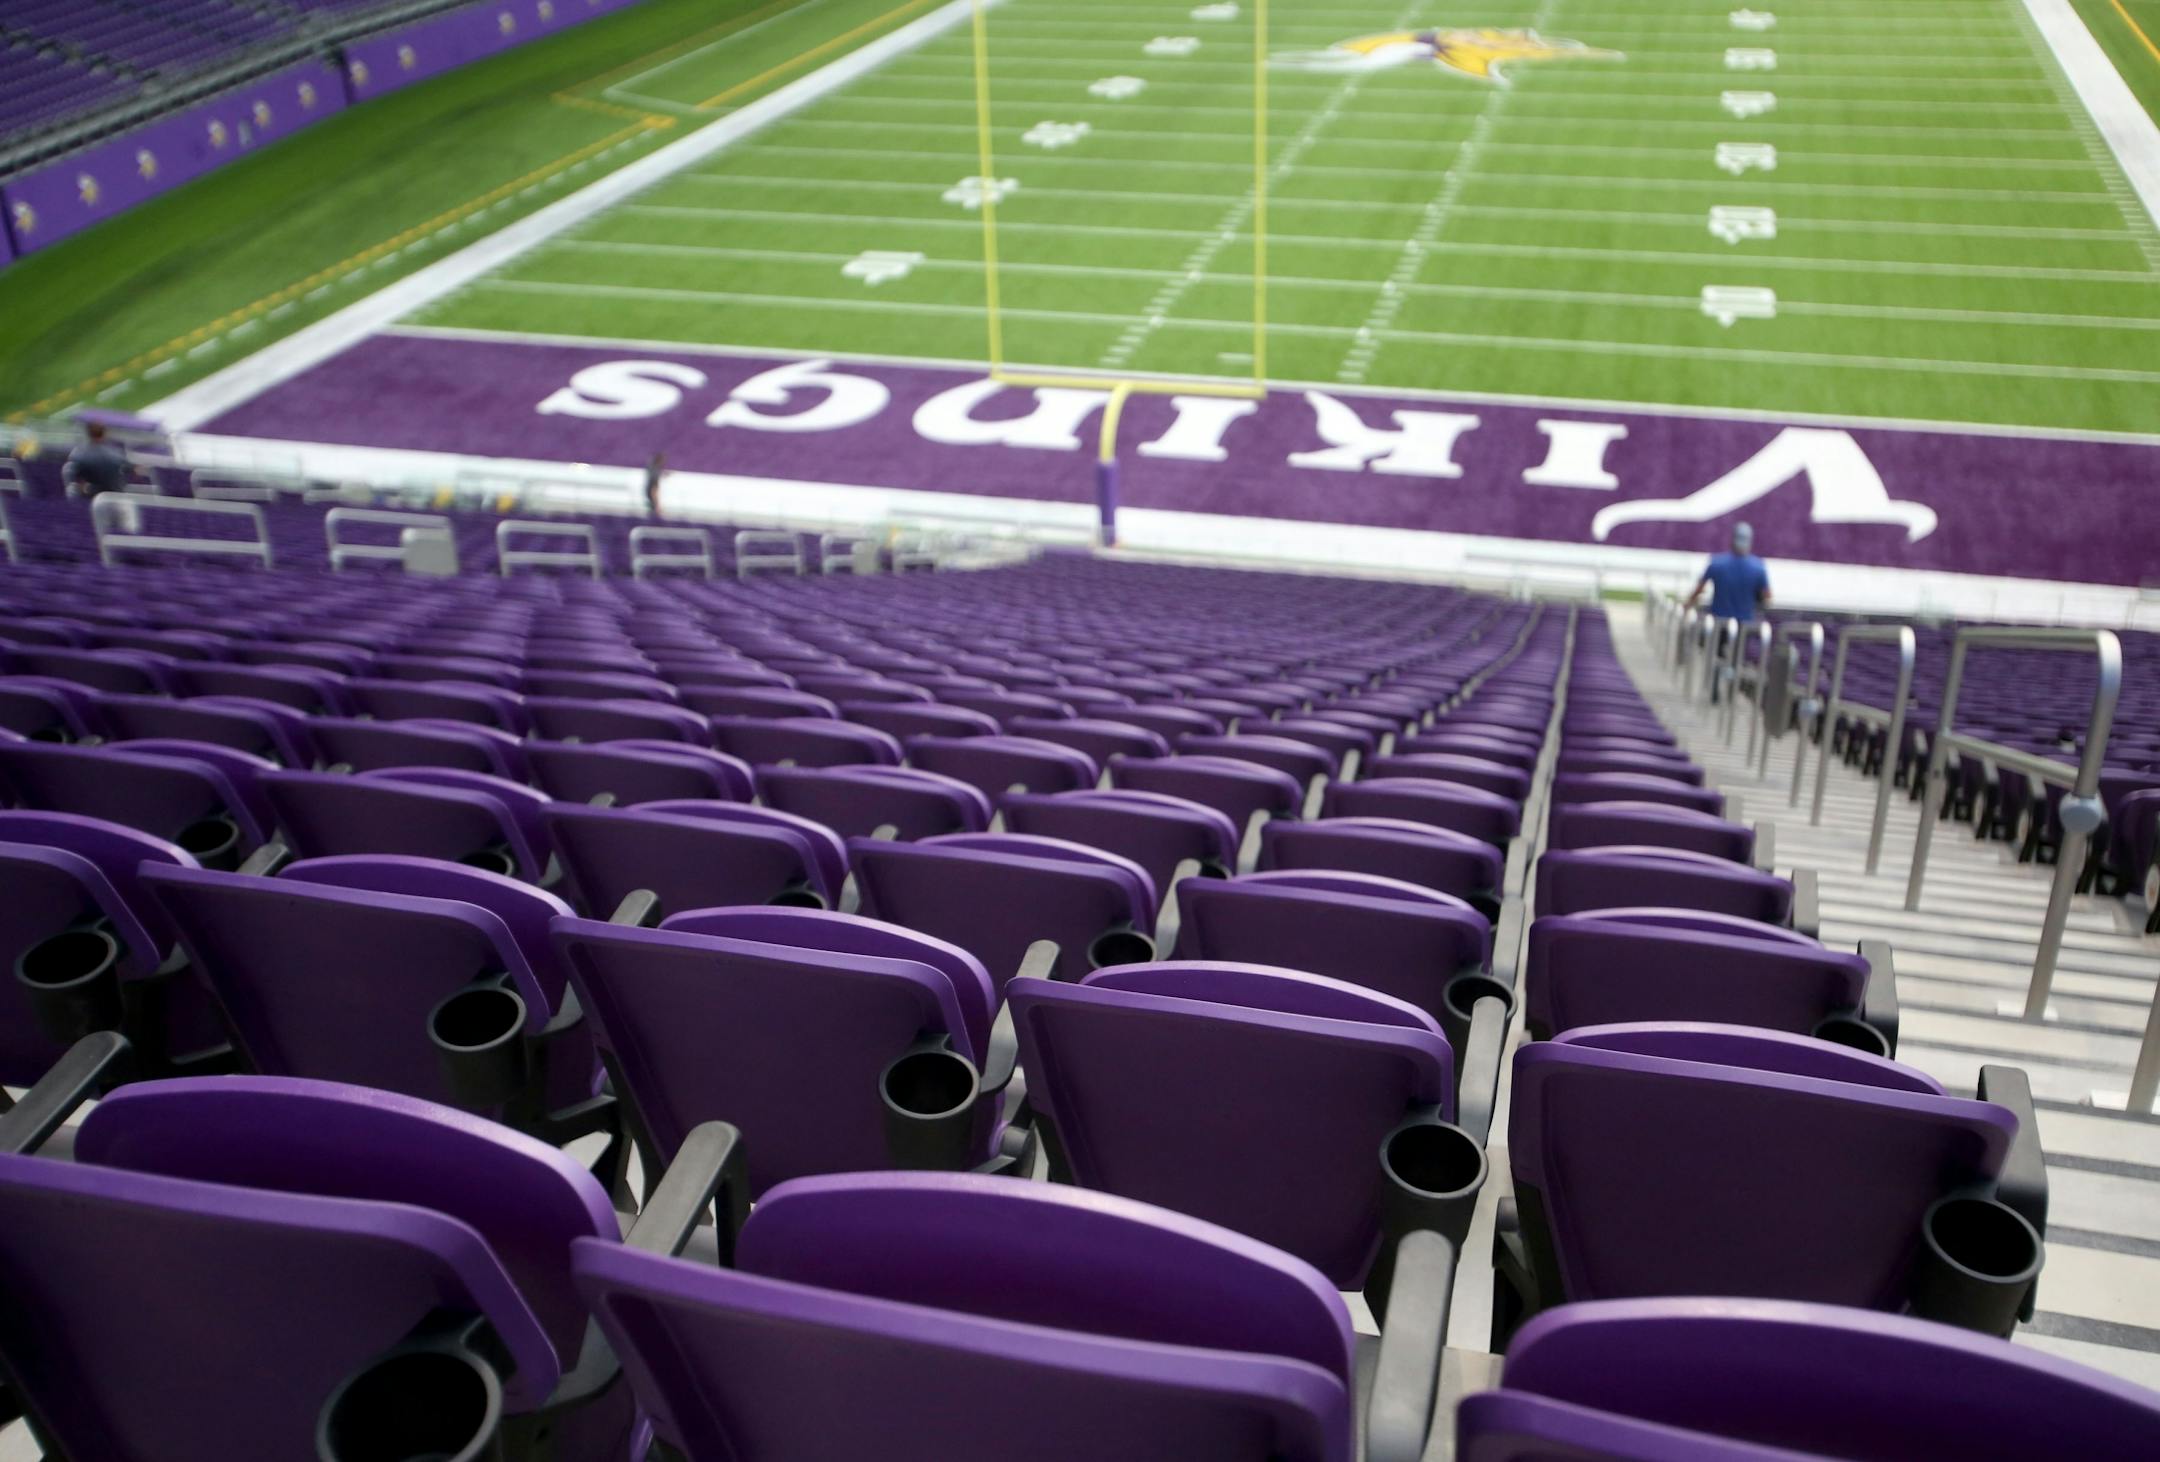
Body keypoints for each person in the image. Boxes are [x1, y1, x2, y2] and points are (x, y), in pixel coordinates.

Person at [1687, 522, 1770, 701]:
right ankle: (1732, 691)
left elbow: (1699, 589)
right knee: (1736, 658)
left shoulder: (1717, 563)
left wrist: (1688, 604)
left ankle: (1716, 689)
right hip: (1743, 621)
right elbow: (1767, 596)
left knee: (1716, 656)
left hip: (1719, 619)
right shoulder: (1758, 567)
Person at [62, 422, 128, 499]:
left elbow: (69, 472)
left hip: (91, 496)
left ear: (88, 434)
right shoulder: (115, 454)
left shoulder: (78, 453)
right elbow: (126, 468)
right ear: (104, 433)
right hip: (115, 495)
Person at [643, 451, 667, 519]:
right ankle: (655, 510)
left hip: (651, 485)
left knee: (652, 503)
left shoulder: (653, 467)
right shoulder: (654, 468)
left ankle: (654, 510)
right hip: (652, 485)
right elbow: (654, 492)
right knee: (653, 501)